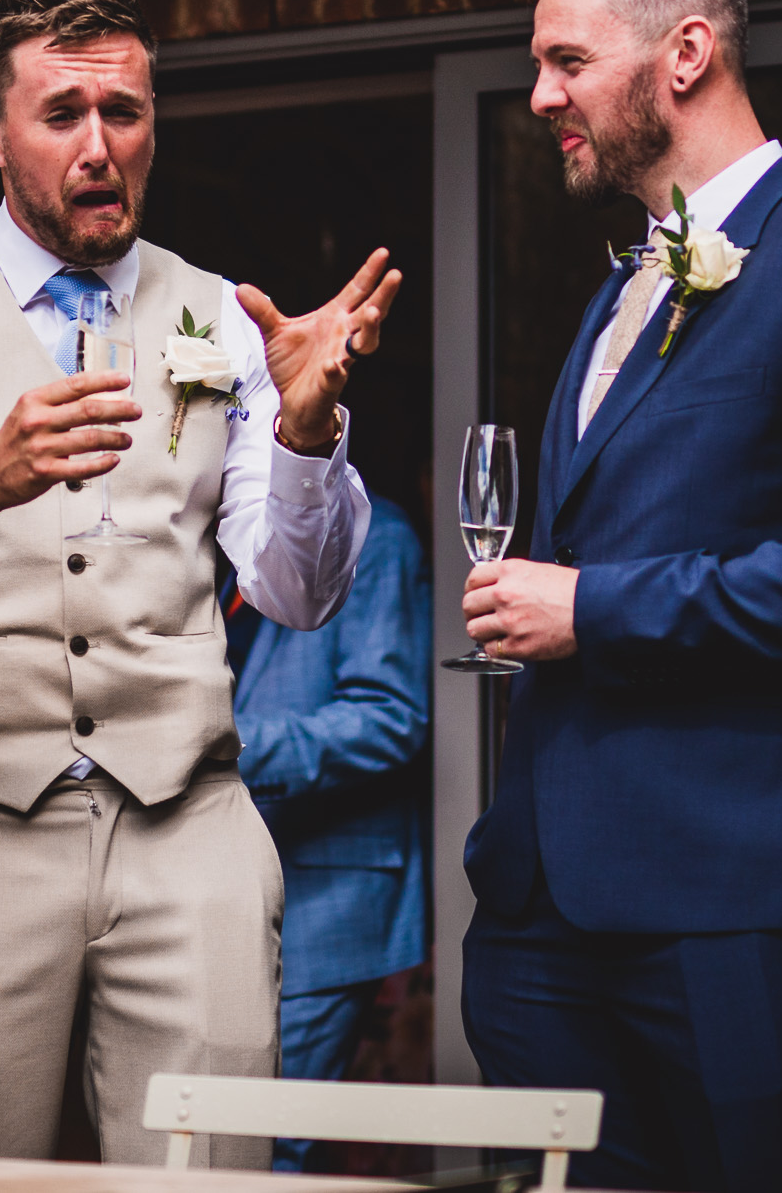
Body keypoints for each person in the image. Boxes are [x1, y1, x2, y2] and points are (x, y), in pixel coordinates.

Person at [0, 0, 401, 1167]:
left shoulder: (222, 316)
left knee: (209, 1167)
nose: (97, 145)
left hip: (190, 829)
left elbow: (299, 588)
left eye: (123, 112)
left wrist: (307, 429)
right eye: (61, 113)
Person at [458, 0, 782, 1191]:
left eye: (566, 60)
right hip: (543, 914)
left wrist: (594, 607)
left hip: (725, 904)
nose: (541, 95)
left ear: (684, 54)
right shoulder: (620, 284)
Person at [224, 490, 431, 1173]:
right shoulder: (227, 535)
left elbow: (391, 716)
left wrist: (226, 742)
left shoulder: (379, 536)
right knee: (221, 1140)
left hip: (325, 893)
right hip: (223, 888)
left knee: (270, 1147)